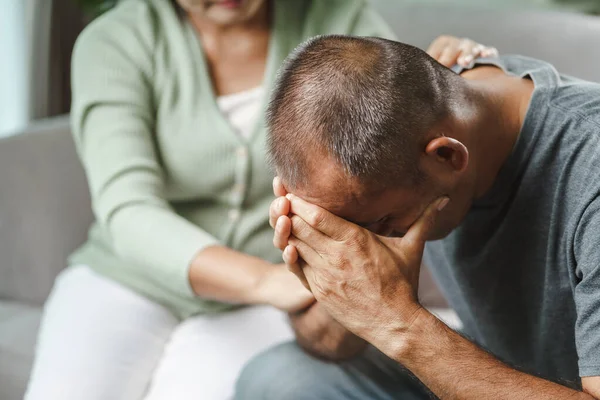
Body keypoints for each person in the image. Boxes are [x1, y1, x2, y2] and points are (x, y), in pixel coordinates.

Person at [24, 1, 496, 399]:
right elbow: (127, 209)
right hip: (132, 279)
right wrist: (269, 283)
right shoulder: (116, 39)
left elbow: (400, 112)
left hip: (268, 304)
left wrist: (443, 78)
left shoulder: (337, 17)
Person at [237, 35, 600, 399]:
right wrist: (331, 282)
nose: (370, 239)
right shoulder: (421, 114)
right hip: (495, 374)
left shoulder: (589, 171)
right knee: (278, 380)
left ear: (447, 157)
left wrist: (398, 322)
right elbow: (327, 342)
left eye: (382, 221)